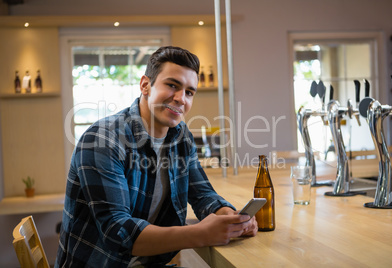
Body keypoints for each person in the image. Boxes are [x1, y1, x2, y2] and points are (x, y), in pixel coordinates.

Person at [56, 46, 258, 267]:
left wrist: (230, 216)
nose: (181, 99)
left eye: (189, 92)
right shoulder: (102, 139)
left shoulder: (180, 136)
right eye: (172, 85)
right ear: (145, 85)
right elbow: (118, 232)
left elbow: (202, 195)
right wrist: (200, 233)